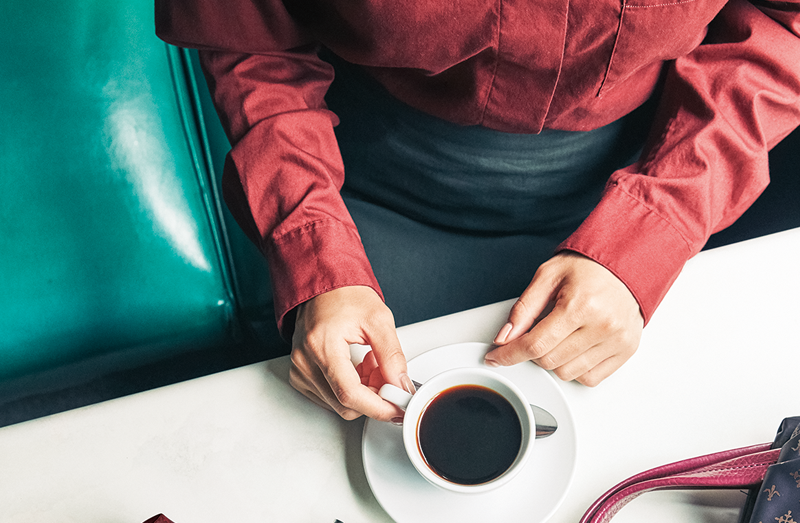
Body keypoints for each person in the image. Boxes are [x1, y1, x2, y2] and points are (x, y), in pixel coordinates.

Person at [156, 0, 800, 421]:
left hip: (646, 175)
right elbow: (255, 47)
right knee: (345, 421)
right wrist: (313, 247)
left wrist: (655, 227)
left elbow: (784, 24)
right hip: (358, 185)